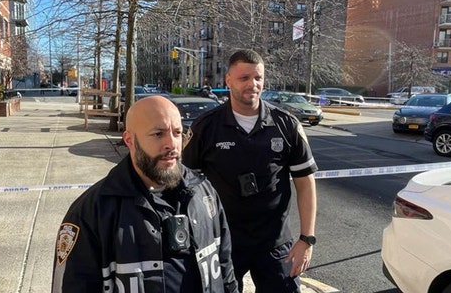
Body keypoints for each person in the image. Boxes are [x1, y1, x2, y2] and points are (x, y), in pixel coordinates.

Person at [52, 96, 238, 293]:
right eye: (158, 134)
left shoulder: (204, 194)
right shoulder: (91, 213)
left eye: (177, 133)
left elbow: (226, 270)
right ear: (130, 140)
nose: (171, 144)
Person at [182, 49, 318, 293]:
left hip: (275, 243)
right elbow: (185, 184)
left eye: (258, 78)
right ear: (228, 80)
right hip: (224, 241)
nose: (253, 84)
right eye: (244, 78)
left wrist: (306, 239)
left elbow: (305, 182)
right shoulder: (206, 127)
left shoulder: (286, 124)